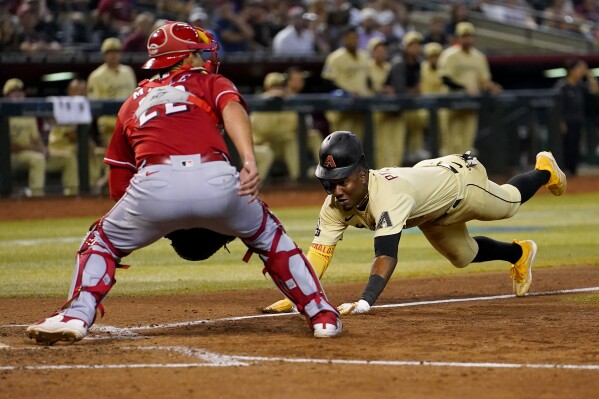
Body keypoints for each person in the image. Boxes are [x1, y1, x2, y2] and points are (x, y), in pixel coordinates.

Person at [27, 21, 342, 345]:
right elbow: (232, 108)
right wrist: (248, 160)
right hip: (217, 177)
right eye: (196, 53)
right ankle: (321, 314)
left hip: (154, 181)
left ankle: (77, 315)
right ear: (185, 57)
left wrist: (153, 219)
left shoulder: (133, 100)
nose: (201, 58)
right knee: (270, 236)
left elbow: (120, 180)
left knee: (101, 242)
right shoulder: (207, 81)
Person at [262, 131, 567, 315]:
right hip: (428, 207)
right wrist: (295, 296)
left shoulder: (388, 197)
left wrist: (365, 302)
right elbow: (318, 256)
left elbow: (386, 256)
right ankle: (520, 254)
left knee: (510, 204)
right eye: (329, 182)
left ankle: (544, 170)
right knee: (463, 256)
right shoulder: (334, 206)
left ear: (362, 175)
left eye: (342, 182)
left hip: (460, 184)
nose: (335, 190)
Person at [4, 78, 78, 197]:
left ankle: (72, 196)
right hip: (10, 158)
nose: (18, 94)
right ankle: (36, 197)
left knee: (68, 158)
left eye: (20, 91)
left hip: (31, 154)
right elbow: (9, 146)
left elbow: (36, 139)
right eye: (14, 92)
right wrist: (34, 149)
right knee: (37, 159)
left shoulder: (28, 115)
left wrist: (43, 150)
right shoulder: (3, 114)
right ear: (7, 96)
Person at [437, 22, 501, 156]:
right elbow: (445, 79)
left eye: (470, 36)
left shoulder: (479, 57)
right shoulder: (450, 55)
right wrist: (465, 88)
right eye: (464, 36)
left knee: (467, 145)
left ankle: (464, 175)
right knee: (450, 144)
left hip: (470, 105)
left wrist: (491, 86)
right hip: (451, 105)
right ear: (458, 37)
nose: (467, 39)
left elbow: (484, 80)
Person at [87, 37, 137, 192]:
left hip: (131, 124)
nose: (113, 55)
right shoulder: (96, 76)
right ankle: (105, 186)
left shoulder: (128, 71)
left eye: (116, 51)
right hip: (110, 125)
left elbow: (135, 98)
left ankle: (109, 186)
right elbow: (94, 106)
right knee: (119, 160)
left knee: (132, 159)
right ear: (104, 55)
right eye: (109, 52)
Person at [321, 26, 371, 140]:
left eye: (355, 38)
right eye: (350, 38)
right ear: (344, 39)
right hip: (342, 108)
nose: (353, 41)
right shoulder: (335, 57)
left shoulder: (364, 56)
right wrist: (347, 94)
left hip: (360, 109)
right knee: (340, 144)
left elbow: (369, 81)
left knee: (358, 145)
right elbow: (326, 82)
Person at [250, 72, 300, 182]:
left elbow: (293, 127)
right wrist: (280, 131)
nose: (278, 90)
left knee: (291, 140)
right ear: (267, 88)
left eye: (281, 86)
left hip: (277, 145)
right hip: (260, 145)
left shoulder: (287, 103)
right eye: (275, 87)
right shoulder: (258, 104)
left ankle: (297, 180)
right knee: (267, 152)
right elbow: (263, 131)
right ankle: (256, 187)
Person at [554, 58, 599, 176]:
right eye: (579, 68)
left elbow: (595, 90)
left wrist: (588, 74)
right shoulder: (562, 86)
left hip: (578, 121)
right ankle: (563, 172)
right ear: (571, 70)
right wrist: (560, 122)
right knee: (565, 148)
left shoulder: (580, 86)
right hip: (565, 122)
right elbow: (557, 107)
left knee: (575, 148)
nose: (581, 71)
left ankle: (572, 171)